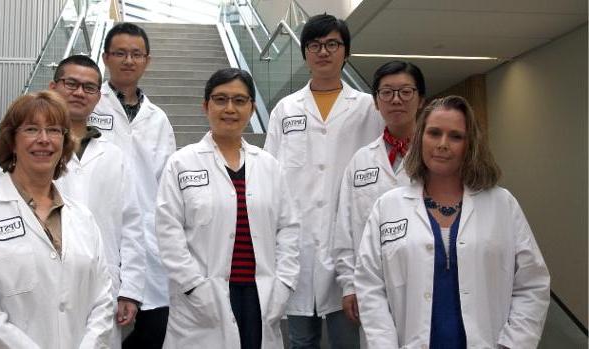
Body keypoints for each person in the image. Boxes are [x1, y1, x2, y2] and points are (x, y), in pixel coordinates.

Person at [0, 55, 146, 347]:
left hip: (96, 283)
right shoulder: (11, 168)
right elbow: (8, 164)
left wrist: (131, 289)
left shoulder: (115, 156)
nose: (79, 92)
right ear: (53, 85)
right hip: (32, 290)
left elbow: (133, 226)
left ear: (99, 97)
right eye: (71, 83)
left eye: (89, 87)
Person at [355, 95, 551, 348]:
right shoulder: (388, 206)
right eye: (434, 133)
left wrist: (512, 344)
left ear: (471, 145)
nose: (443, 144)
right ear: (420, 137)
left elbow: (532, 284)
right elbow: (371, 286)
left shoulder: (502, 204)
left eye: (456, 136)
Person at [0, 91, 114, 348]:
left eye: (53, 130)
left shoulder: (82, 218)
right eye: (31, 129)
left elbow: (102, 301)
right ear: (11, 140)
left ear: (64, 142)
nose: (43, 140)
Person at [156, 68, 300, 348]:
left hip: (260, 294)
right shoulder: (181, 163)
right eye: (220, 99)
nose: (230, 109)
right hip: (203, 294)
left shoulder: (269, 165)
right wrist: (193, 285)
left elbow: (289, 229)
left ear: (251, 107)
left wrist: (284, 283)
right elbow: (168, 233)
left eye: (239, 100)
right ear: (205, 105)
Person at [263, 13, 383, 348]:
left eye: (333, 44)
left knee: (349, 338)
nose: (324, 51)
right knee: (301, 341)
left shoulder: (368, 109)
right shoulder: (285, 110)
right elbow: (269, 175)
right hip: (297, 246)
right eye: (315, 45)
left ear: (346, 52)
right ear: (304, 53)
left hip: (350, 242)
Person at [94, 22, 176, 347]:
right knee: (98, 331)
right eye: (120, 53)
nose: (128, 60)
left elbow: (168, 182)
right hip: (100, 230)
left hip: (147, 237)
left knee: (154, 329)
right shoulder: (88, 104)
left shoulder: (158, 118)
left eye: (136, 54)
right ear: (105, 58)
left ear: (147, 60)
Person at [333, 61, 425, 327]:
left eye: (406, 92)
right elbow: (345, 227)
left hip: (427, 278)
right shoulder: (361, 160)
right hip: (373, 285)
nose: (396, 100)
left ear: (421, 99)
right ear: (375, 102)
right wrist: (349, 284)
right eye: (386, 92)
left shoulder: (438, 157)